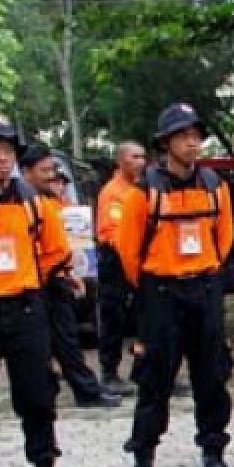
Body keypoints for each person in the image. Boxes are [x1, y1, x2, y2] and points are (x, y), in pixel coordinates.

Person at [112, 103, 234, 467]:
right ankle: (143, 466)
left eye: (195, 136)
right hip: (161, 294)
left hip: (203, 291)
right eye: (183, 136)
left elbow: (223, 239)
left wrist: (205, 273)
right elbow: (127, 250)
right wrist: (157, 282)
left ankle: (214, 460)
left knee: (212, 378)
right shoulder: (144, 191)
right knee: (154, 381)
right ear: (166, 143)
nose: (192, 143)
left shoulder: (214, 186)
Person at [0, 116, 76, 467]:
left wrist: (29, 281)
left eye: (8, 151)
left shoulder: (32, 202)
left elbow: (55, 251)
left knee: (37, 396)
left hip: (26, 310)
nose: (1, 158)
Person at [20, 146, 120, 409]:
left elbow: (65, 240)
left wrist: (68, 272)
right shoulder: (24, 203)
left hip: (54, 277)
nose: (51, 175)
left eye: (52, 169)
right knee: (44, 341)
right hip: (32, 281)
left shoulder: (50, 200)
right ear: (26, 172)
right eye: (44, 171)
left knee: (65, 337)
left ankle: (83, 389)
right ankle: (65, 389)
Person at [96, 141, 146, 396]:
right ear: (121, 161)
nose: (141, 161)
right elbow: (114, 232)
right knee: (113, 315)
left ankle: (143, 368)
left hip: (138, 256)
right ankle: (109, 372)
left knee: (145, 314)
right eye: (134, 157)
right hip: (114, 258)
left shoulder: (141, 189)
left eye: (142, 156)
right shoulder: (113, 192)